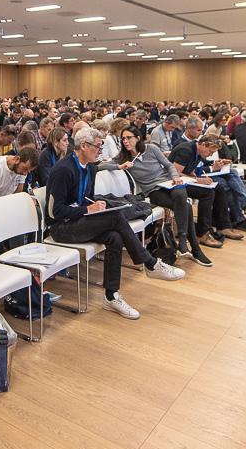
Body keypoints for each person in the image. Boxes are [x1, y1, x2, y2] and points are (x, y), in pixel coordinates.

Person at [46, 126, 184, 320]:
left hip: (79, 221)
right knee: (116, 217)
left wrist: (95, 204)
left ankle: (111, 296)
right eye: (97, 147)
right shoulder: (63, 170)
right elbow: (55, 212)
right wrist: (87, 209)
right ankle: (150, 264)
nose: (100, 151)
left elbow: (85, 197)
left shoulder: (91, 168)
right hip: (61, 228)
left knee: (115, 237)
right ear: (84, 146)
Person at [111, 128, 212, 267]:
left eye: (129, 138)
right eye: (123, 139)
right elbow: (102, 165)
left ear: (138, 138)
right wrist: (120, 166)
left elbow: (169, 166)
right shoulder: (124, 157)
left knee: (180, 191)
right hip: (153, 191)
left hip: (168, 183)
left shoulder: (151, 149)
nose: (126, 141)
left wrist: (176, 177)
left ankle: (183, 242)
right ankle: (192, 248)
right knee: (186, 206)